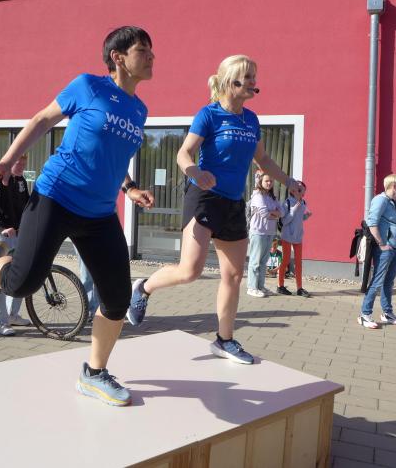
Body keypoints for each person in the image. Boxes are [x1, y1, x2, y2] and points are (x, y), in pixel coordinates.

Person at [0, 26, 156, 406]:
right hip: (57, 196)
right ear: (118, 57)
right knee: (20, 283)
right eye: (143, 50)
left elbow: (112, 155)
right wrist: (6, 160)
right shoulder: (88, 86)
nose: (152, 56)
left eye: (151, 50)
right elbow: (42, 119)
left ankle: (94, 374)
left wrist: (130, 187)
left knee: (117, 299)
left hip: (99, 213)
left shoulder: (139, 110)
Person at [124, 54, 303, 365]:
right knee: (189, 271)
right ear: (230, 82)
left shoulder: (251, 120)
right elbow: (183, 153)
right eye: (247, 77)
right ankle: (143, 287)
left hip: (233, 202)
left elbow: (263, 160)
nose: (253, 82)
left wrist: (288, 180)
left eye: (254, 76)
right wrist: (194, 171)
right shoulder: (209, 115)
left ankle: (225, 339)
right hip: (204, 197)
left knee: (233, 275)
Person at [0, 154, 32, 336]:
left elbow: (27, 207)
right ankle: (1, 322)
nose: (21, 167)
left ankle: (13, 315)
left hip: (18, 235)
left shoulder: (21, 181)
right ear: (10, 163)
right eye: (18, 163)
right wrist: (1, 228)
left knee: (21, 274)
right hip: (2, 235)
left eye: (24, 164)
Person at [358, 174, 396, 329]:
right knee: (377, 282)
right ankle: (365, 315)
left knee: (388, 281)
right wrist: (382, 244)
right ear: (394, 186)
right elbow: (371, 223)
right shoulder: (380, 200)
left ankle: (387, 313)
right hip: (385, 249)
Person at [247, 173, 283, 297]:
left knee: (263, 262)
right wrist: (275, 214)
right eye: (267, 181)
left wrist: (273, 213)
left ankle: (260, 286)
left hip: (269, 232)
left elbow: (282, 212)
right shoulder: (257, 196)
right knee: (255, 261)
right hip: (258, 232)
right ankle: (252, 287)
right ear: (260, 182)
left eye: (271, 181)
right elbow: (264, 213)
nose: (269, 183)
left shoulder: (272, 197)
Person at [277, 181, 311, 297]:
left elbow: (299, 218)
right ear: (292, 190)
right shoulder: (287, 202)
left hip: (298, 236)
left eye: (302, 189)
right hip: (287, 236)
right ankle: (280, 286)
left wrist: (306, 216)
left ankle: (299, 288)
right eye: (298, 189)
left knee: (298, 262)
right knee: (286, 260)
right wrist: (293, 210)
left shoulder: (303, 202)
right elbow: (284, 221)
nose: (301, 191)